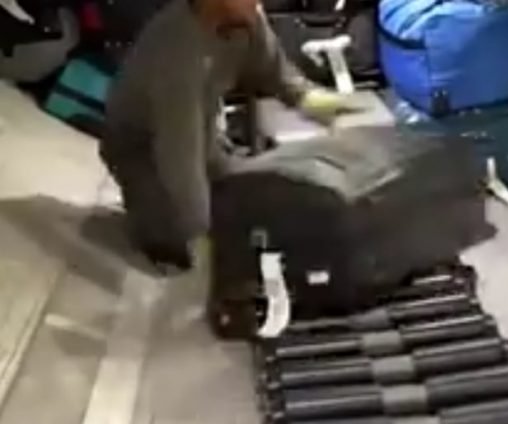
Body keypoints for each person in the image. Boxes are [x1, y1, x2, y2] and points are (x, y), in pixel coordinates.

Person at [99, 0, 352, 272]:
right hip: (143, 148)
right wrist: (201, 236)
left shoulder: (246, 18)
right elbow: (179, 154)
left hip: (202, 131)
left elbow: (278, 75)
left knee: (250, 198)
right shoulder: (178, 50)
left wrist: (317, 100)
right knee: (183, 231)